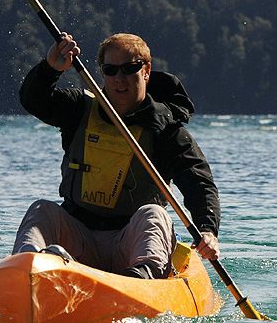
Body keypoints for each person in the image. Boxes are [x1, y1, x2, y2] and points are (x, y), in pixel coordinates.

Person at [12, 32, 220, 279]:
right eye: (110, 70)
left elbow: (198, 182)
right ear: (102, 73)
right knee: (41, 209)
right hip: (79, 234)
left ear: (146, 70)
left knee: (154, 214)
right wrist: (50, 69)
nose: (119, 79)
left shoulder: (166, 129)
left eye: (129, 68)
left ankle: (142, 280)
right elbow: (34, 101)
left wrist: (207, 230)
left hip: (130, 240)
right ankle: (28, 271)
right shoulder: (79, 108)